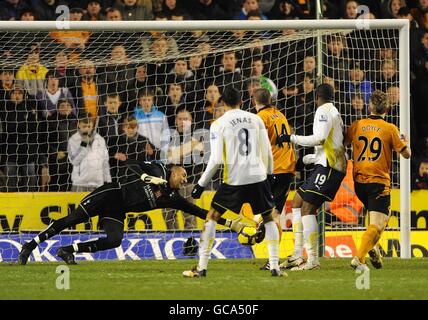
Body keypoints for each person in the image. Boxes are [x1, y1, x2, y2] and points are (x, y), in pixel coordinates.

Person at [18, 161, 245, 265]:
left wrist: (231, 224)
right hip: (109, 193)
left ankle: (68, 250)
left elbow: (201, 211)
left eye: (186, 179)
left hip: (118, 210)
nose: (184, 180)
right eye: (183, 175)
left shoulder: (173, 198)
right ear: (173, 171)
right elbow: (130, 164)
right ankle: (30, 245)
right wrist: (146, 177)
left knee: (116, 240)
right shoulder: (158, 169)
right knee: (72, 219)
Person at [184, 86, 283, 277]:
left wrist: (200, 184)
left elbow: (216, 160)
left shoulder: (218, 124)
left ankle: (202, 267)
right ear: (242, 101)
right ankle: (275, 266)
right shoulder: (256, 119)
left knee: (212, 217)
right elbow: (267, 150)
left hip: (235, 179)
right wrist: (270, 174)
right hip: (258, 176)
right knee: (269, 217)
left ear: (222, 103)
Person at [277, 83, 347, 270]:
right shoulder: (333, 111)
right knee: (297, 201)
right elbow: (329, 144)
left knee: (307, 208)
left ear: (317, 97)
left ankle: (313, 260)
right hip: (326, 164)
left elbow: (319, 139)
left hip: (330, 167)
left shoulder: (323, 111)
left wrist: (291, 137)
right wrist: (307, 159)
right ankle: (298, 254)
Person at [345, 90, 411, 271]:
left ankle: (373, 247)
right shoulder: (390, 129)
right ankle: (359, 258)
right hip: (378, 182)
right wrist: (406, 142)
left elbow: (344, 142)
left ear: (370, 106)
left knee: (379, 220)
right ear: (387, 109)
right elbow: (406, 154)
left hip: (359, 183)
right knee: (378, 223)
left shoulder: (357, 124)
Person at [252, 88, 296, 270]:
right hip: (287, 168)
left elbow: (255, 144)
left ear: (255, 101)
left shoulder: (260, 118)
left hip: (273, 169)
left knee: (268, 215)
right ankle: (273, 260)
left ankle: (273, 260)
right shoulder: (280, 114)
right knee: (273, 214)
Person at [68, 116, 111, 192]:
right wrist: (84, 145)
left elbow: (105, 161)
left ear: (92, 126)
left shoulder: (100, 139)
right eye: (84, 126)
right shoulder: (73, 139)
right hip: (80, 183)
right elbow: (74, 161)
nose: (87, 129)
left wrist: (108, 180)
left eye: (89, 126)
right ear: (79, 125)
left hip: (98, 183)